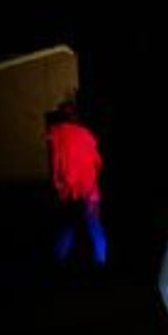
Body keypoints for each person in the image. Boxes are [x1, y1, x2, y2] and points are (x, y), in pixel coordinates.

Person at [45, 100, 106, 268]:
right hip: (88, 191)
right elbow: (98, 163)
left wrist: (58, 186)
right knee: (93, 226)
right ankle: (101, 262)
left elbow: (55, 164)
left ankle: (58, 260)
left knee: (68, 226)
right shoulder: (86, 135)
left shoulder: (56, 134)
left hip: (70, 191)